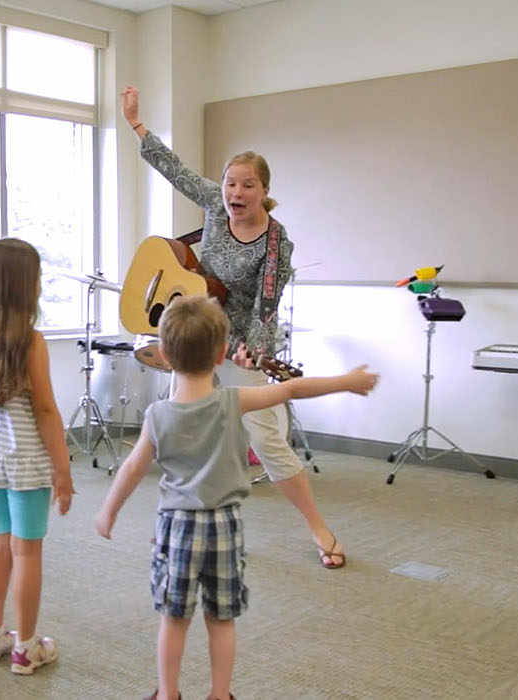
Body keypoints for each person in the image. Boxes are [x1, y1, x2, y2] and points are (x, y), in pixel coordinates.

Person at [95, 296, 378, 700]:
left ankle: (169, 694)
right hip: (224, 527)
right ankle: (220, 694)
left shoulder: (157, 415)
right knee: (221, 620)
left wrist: (108, 511)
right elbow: (292, 388)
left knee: (174, 620)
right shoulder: (234, 401)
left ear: (163, 357)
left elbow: (132, 468)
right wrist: (346, 382)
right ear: (221, 354)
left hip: (176, 528)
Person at [122, 85, 350, 570]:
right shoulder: (212, 204)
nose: (235, 193)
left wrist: (252, 349)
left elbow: (267, 307)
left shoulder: (275, 243)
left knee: (266, 439)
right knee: (184, 431)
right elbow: (175, 169)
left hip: (241, 338)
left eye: (247, 185)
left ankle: (319, 528)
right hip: (198, 336)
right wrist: (136, 123)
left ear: (265, 191)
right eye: (230, 183)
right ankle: (182, 528)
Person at [0, 238, 76, 675]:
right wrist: (63, 472)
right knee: (26, 552)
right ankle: (27, 647)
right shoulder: (30, 342)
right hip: (26, 463)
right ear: (25, 287)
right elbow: (46, 410)